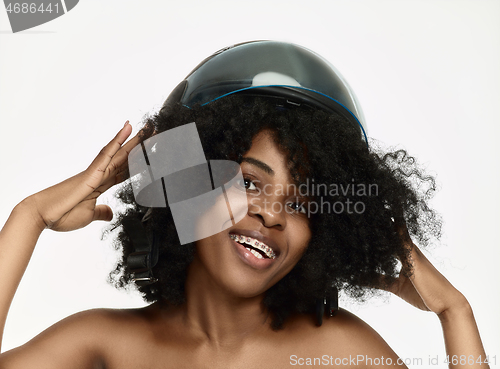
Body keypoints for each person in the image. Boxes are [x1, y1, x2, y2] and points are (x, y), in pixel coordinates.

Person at [0, 41, 489, 368]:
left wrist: (453, 310)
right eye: (251, 182)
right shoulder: (105, 344)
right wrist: (30, 217)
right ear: (187, 185)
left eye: (301, 204)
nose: (272, 214)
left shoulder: (338, 352)